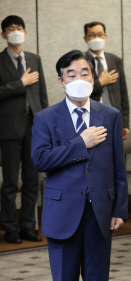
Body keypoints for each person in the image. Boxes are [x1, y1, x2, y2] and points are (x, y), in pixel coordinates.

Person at [31, 49, 127, 281]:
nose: (79, 79)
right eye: (71, 74)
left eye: (85, 72)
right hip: (62, 213)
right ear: (61, 82)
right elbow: (41, 160)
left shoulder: (110, 114)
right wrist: (80, 143)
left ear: (93, 77)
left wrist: (120, 208)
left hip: (100, 211)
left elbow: (118, 166)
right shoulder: (45, 118)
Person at [0, 15, 48, 244]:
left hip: (34, 126)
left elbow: (42, 94)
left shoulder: (34, 59)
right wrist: (21, 83)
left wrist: (48, 123)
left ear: (25, 33)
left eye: (19, 28)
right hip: (8, 129)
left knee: (32, 179)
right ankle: (9, 227)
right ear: (3, 35)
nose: (16, 31)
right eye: (11, 29)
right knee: (10, 181)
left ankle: (28, 226)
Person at [83, 21, 130, 140]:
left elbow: (123, 93)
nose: (97, 38)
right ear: (85, 38)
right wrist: (100, 82)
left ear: (105, 36)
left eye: (100, 34)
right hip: (90, 118)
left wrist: (125, 123)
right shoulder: (80, 61)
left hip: (113, 117)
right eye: (92, 35)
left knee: (116, 155)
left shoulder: (115, 60)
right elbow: (78, 91)